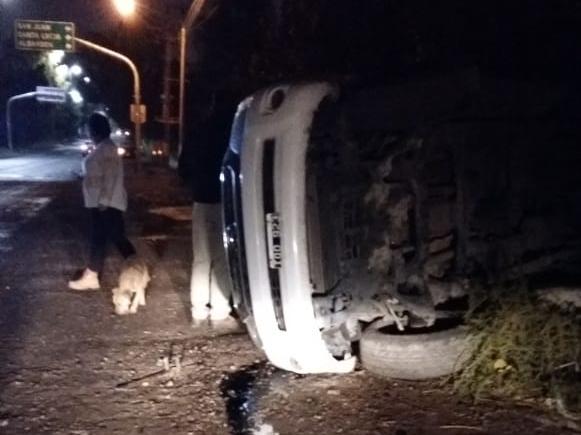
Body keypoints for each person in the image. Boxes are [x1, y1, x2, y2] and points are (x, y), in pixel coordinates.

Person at [180, 93, 235, 323]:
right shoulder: (230, 135)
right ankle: (220, 310)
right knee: (221, 258)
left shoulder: (195, 133)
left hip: (200, 201)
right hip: (223, 203)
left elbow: (182, 171)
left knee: (201, 259)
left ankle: (199, 311)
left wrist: (193, 185)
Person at [68, 112, 136, 290]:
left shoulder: (105, 150)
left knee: (108, 238)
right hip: (104, 202)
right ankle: (97, 275)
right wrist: (83, 176)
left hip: (105, 204)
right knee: (110, 238)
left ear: (94, 130)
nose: (88, 132)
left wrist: (103, 202)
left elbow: (109, 178)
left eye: (90, 129)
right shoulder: (105, 148)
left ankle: (94, 276)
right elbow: (97, 175)